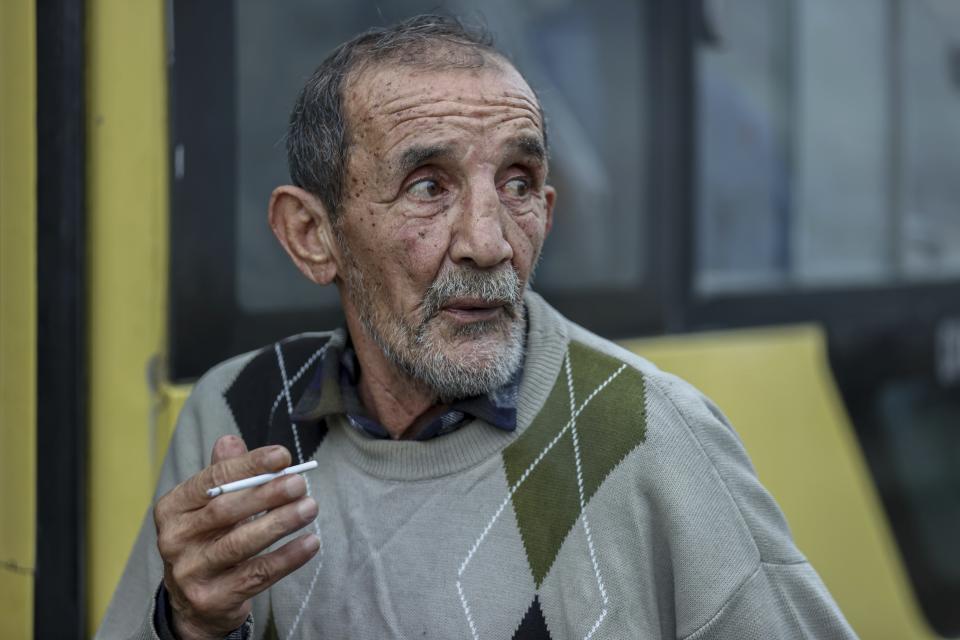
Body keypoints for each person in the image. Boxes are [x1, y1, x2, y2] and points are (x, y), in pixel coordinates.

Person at [97, 14, 857, 640]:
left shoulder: (647, 435)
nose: (491, 243)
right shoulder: (242, 417)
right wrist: (188, 622)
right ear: (311, 235)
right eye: (429, 186)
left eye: (519, 183)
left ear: (548, 212)